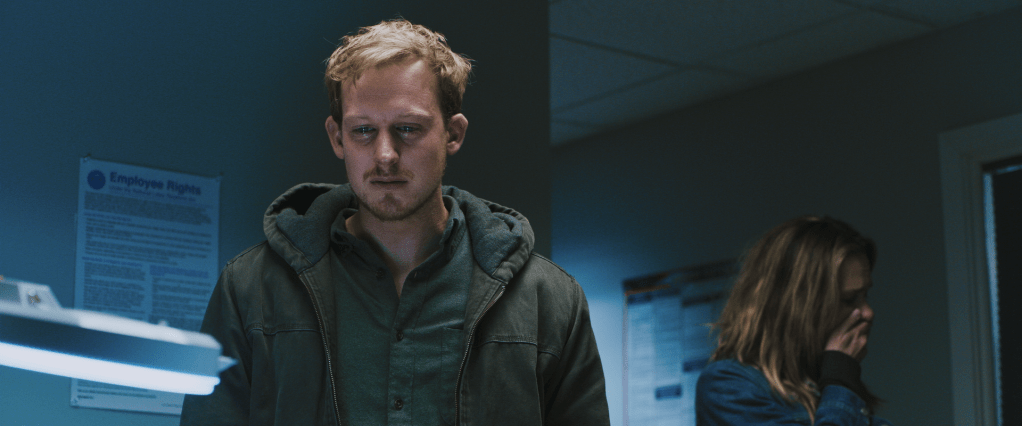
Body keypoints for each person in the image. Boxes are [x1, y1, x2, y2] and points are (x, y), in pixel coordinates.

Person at [180, 19, 610, 425]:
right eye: (363, 131)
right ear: (337, 137)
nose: (385, 155)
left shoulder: (548, 299)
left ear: (453, 134)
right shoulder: (250, 289)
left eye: (407, 128)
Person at [696, 216, 891, 425]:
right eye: (849, 299)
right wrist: (841, 378)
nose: (868, 313)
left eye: (865, 295)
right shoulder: (727, 386)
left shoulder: (828, 390)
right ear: (799, 306)